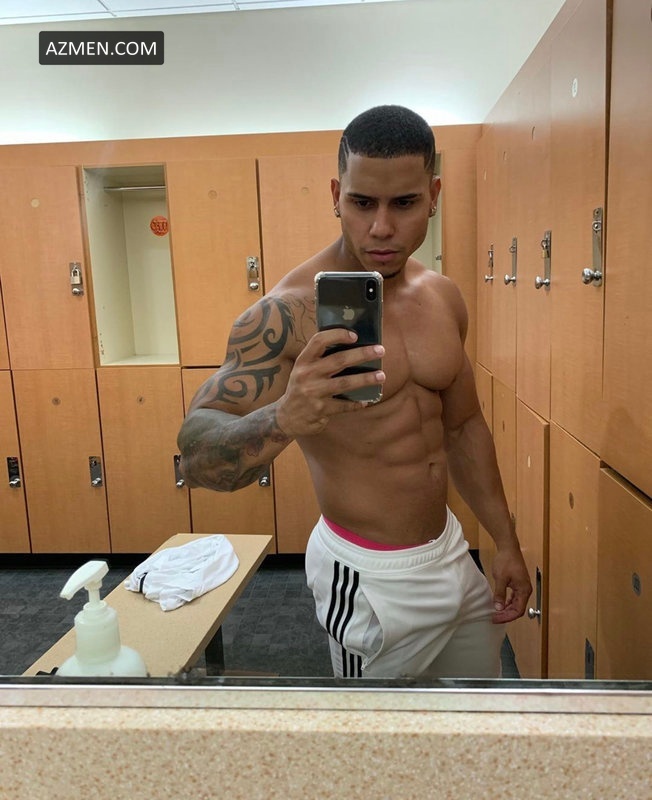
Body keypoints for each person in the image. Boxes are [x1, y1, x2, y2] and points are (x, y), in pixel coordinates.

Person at [177, 105, 532, 680]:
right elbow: (196, 455)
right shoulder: (284, 315)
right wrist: (284, 416)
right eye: (363, 203)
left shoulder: (443, 297)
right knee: (373, 732)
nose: (382, 228)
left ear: (434, 195)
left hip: (451, 552)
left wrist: (506, 541)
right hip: (368, 578)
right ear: (336, 195)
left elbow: (464, 427)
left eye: (404, 203)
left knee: (474, 715)